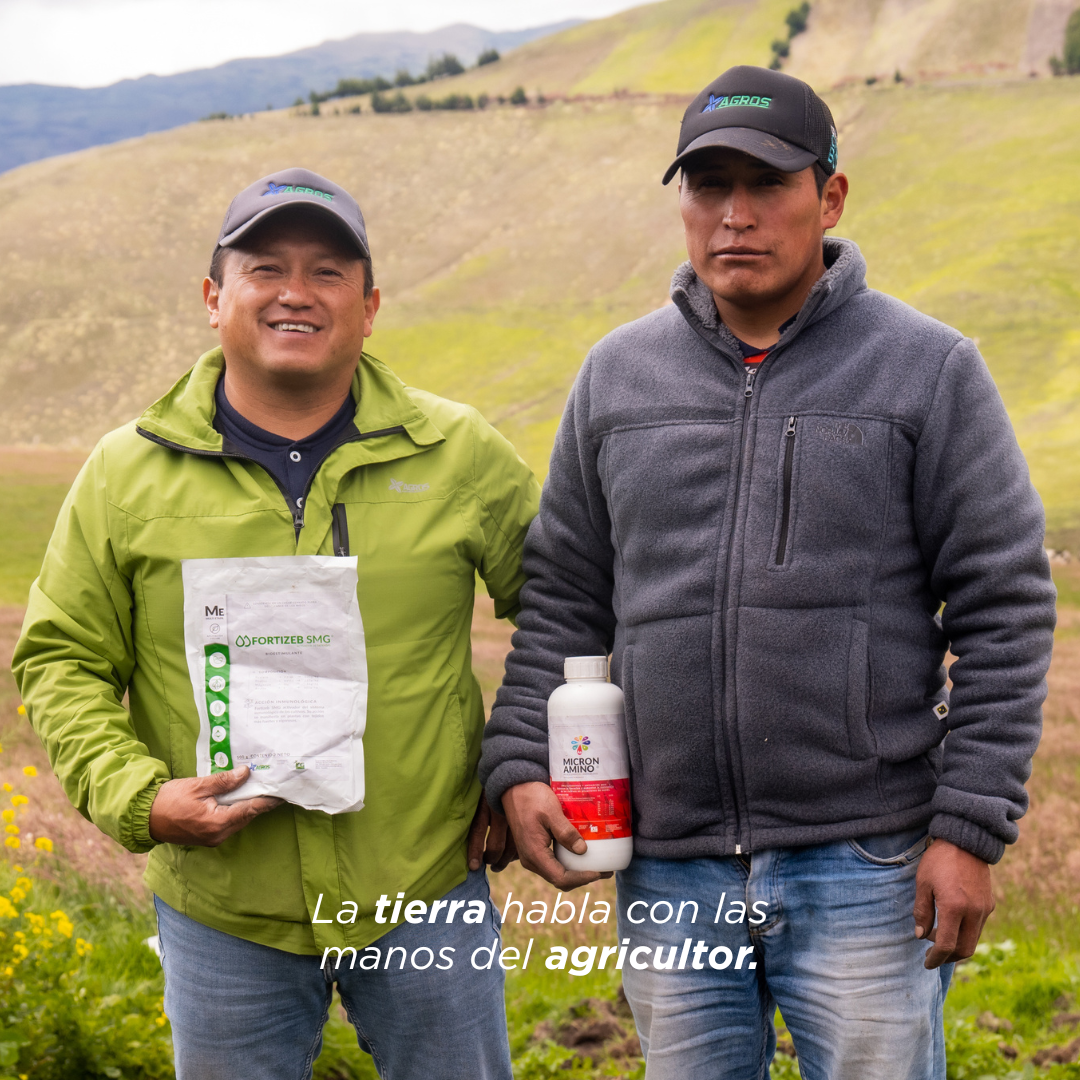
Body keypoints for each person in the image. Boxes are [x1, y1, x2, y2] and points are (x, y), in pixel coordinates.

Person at [479, 66, 1057, 1079]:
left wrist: (969, 829)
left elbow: (1004, 609)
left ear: (830, 198)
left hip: (868, 863)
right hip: (670, 867)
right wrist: (521, 758)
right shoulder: (616, 378)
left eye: (768, 184)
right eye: (709, 187)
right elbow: (566, 596)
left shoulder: (927, 370)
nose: (734, 216)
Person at [13, 167, 536, 1080]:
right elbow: (63, 659)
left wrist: (520, 757)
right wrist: (139, 797)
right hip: (221, 915)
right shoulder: (123, 474)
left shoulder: (460, 454)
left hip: (424, 891)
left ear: (370, 308)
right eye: (265, 268)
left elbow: (565, 608)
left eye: (328, 271)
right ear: (213, 299)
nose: (296, 292)